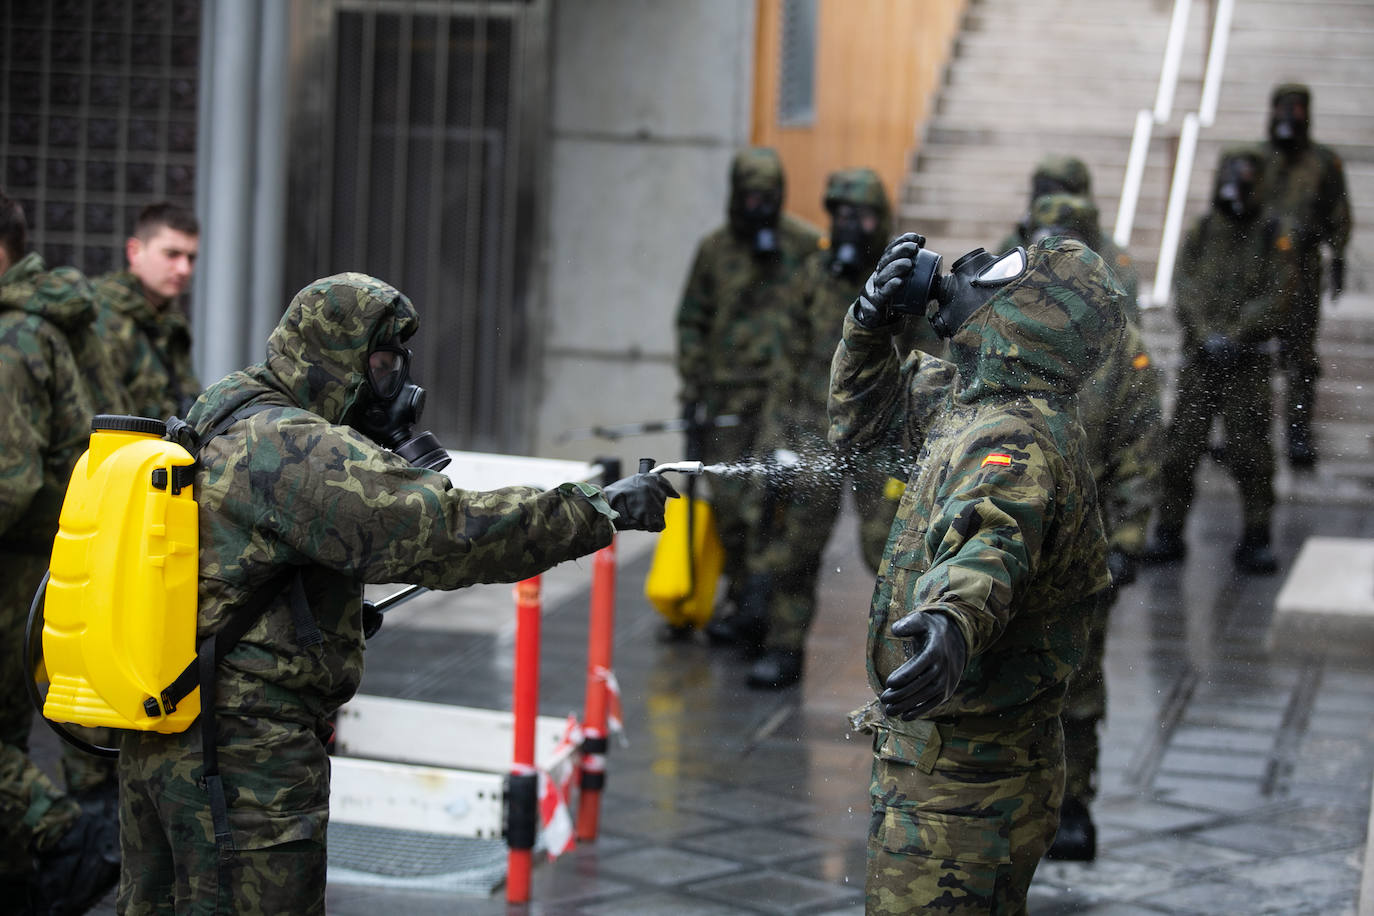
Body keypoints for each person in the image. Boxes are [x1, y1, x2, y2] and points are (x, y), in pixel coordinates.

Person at [115, 272, 678, 913]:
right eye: (379, 366)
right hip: (243, 755)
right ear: (334, 359)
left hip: (173, 724)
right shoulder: (296, 448)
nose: (394, 387)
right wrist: (598, 510)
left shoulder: (231, 402)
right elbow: (444, 532)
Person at [830, 231, 1123, 913]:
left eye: (1008, 269)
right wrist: (869, 325)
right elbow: (862, 425)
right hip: (956, 769)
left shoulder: (1012, 436)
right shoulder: (977, 401)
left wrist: (949, 622)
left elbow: (989, 540)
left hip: (967, 788)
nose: (977, 267)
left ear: (1032, 317)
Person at [1025, 194, 1163, 861]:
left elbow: (1140, 451)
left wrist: (1130, 541)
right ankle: (1008, 799)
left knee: (1078, 680)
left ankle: (1073, 799)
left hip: (1089, 546)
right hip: (1013, 535)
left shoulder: (1119, 345)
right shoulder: (1000, 327)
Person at [0, 189, 125, 913]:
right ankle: (26, 877)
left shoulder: (15, 338)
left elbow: (7, 483)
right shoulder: (49, 320)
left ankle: (62, 838)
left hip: (17, 565)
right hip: (44, 560)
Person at [744, 167, 896, 688]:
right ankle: (784, 648)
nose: (853, 226)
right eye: (844, 215)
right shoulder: (812, 277)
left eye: (865, 216)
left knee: (892, 550)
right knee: (797, 544)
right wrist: (775, 441)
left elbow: (930, 356)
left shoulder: (900, 279)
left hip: (880, 435)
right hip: (814, 431)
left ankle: (907, 657)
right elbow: (784, 366)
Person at [675, 147, 820, 648]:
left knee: (771, 503)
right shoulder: (715, 249)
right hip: (726, 397)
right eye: (751, 196)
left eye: (768, 196)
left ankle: (764, 607)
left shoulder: (801, 244)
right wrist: (693, 386)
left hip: (782, 400)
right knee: (730, 503)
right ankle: (741, 595)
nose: (759, 205)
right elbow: (692, 320)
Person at [1141, 147, 1296, 574]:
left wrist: (1238, 334)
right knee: (1179, 453)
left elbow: (1279, 293)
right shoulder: (1204, 229)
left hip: (1248, 364)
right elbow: (1184, 283)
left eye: (1245, 179)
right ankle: (1169, 532)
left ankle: (1257, 537)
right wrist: (1204, 332)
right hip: (1201, 362)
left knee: (1252, 457)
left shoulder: (1272, 233)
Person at [1257, 83, 1354, 467]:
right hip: (1258, 273)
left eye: (1298, 109)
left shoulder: (1323, 162)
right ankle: (1244, 430)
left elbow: (1339, 213)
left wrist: (1339, 258)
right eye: (1284, 108)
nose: (1290, 117)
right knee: (1251, 354)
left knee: (1299, 355)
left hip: (1302, 271)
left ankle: (1297, 429)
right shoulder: (1256, 159)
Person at [92, 201, 202, 419]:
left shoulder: (169, 322)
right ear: (134, 252)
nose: (184, 269)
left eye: (191, 258)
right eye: (172, 254)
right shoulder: (101, 317)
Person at [998, 154, 1140, 309]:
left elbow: (1126, 323)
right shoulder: (1015, 246)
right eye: (1043, 192)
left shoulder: (1111, 256)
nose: (1051, 201)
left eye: (1059, 192)